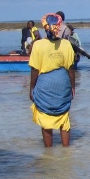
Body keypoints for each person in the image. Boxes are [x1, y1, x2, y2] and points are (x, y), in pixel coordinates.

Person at [29, 13, 76, 147]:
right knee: (64, 119)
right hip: (63, 84)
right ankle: (66, 152)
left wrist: (31, 89)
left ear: (45, 27)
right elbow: (70, 70)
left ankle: (48, 154)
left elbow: (34, 70)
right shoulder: (66, 44)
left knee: (45, 119)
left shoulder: (38, 45)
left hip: (45, 85)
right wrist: (73, 88)